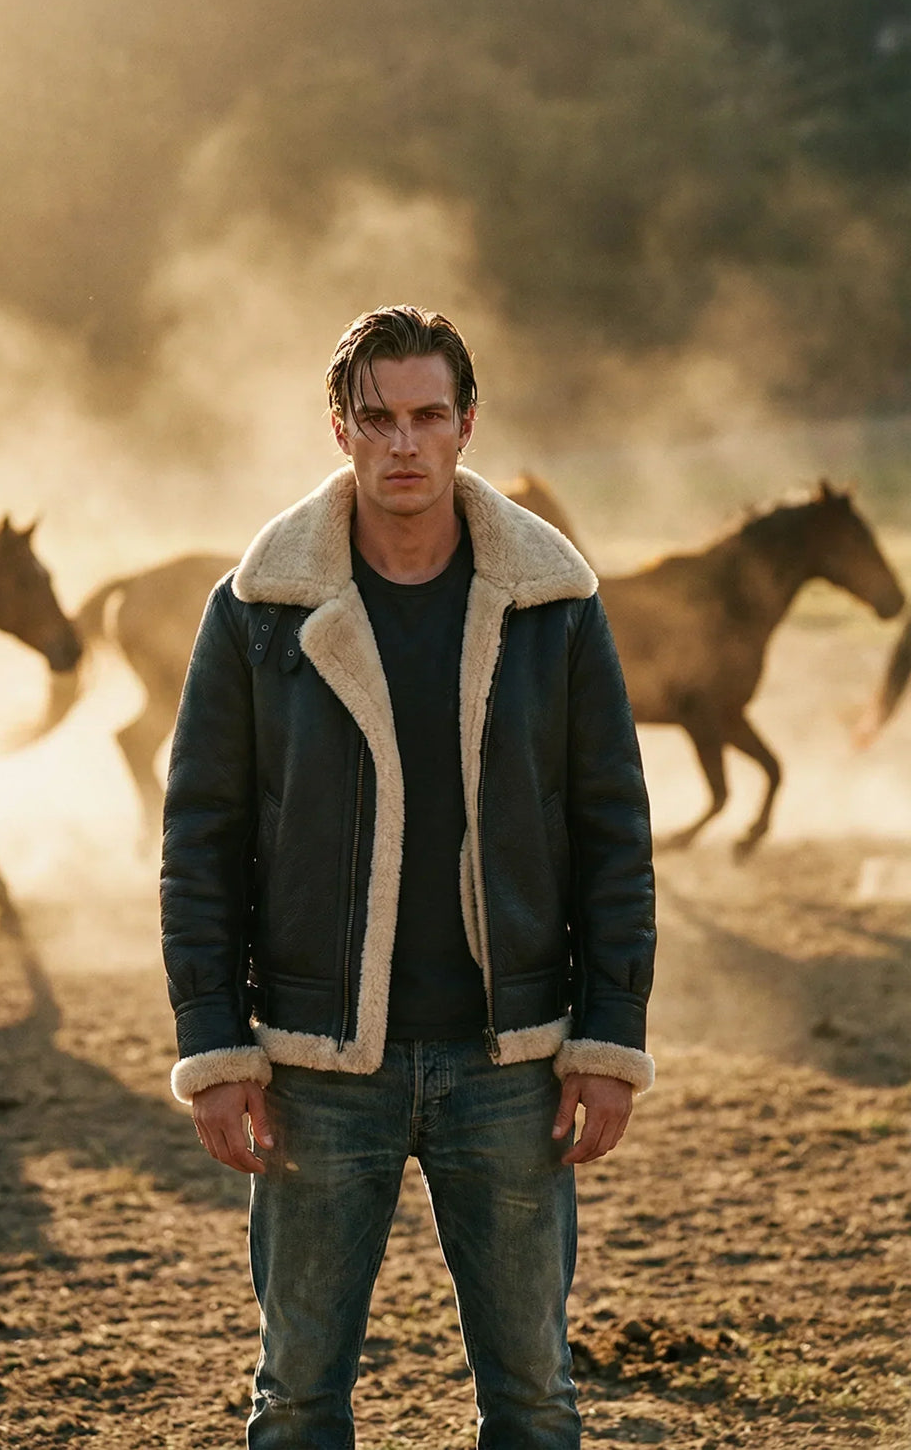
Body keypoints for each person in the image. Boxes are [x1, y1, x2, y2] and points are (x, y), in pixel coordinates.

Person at [160, 305, 656, 1448]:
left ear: (467, 423)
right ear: (338, 428)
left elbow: (611, 826)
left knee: (535, 1400)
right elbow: (201, 835)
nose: (404, 443)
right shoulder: (254, 613)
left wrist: (607, 1036)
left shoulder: (555, 603)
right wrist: (215, 1046)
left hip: (514, 1063)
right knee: (296, 1401)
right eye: (377, 417)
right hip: (315, 1062)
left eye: (429, 415)